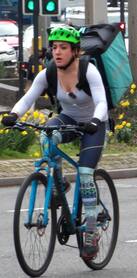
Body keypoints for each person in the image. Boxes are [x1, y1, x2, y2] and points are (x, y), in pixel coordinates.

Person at [1, 26, 108, 260]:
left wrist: (95, 121)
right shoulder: (48, 73)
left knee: (86, 172)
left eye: (63, 48)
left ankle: (91, 231)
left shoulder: (88, 71)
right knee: (46, 134)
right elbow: (28, 97)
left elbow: (101, 102)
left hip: (93, 124)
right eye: (54, 47)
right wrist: (14, 115)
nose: (57, 52)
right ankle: (60, 185)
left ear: (75, 51)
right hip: (68, 119)